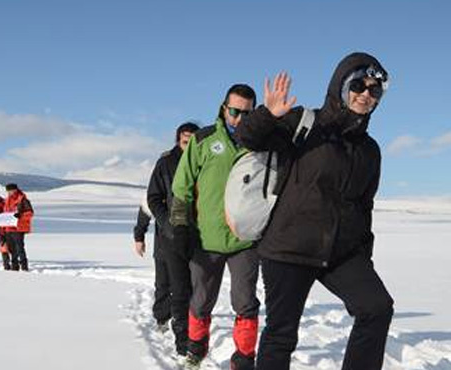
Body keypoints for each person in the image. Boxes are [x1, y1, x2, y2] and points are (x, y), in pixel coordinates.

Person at [236, 52, 394, 370]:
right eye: (359, 85)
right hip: (289, 248)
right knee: (281, 335)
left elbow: (364, 207)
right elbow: (247, 138)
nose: (366, 94)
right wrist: (268, 114)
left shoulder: (369, 149)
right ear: (340, 85)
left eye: (374, 90)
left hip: (341, 252)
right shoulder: (305, 123)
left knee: (376, 307)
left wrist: (364, 258)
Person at [171, 85, 260, 369]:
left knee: (245, 302)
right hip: (205, 239)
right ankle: (196, 349)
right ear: (224, 108)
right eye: (234, 111)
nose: (240, 119)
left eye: (247, 113)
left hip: (244, 240)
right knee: (201, 300)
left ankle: (244, 358)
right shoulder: (203, 139)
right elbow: (181, 186)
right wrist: (181, 227)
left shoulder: (261, 144)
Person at [133, 122, 200, 356]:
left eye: (193, 140)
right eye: (184, 140)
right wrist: (150, 230)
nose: (188, 144)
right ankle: (164, 319)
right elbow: (150, 201)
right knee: (165, 283)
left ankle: (190, 326)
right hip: (168, 237)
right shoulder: (165, 163)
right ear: (177, 140)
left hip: (198, 236)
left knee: (191, 286)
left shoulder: (203, 160)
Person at [3, 183, 34, 271]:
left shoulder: (23, 200)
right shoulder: (7, 200)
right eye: (8, 191)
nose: (9, 192)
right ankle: (14, 267)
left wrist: (20, 215)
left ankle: (24, 266)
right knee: (11, 249)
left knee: (20, 248)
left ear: (15, 190)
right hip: (9, 227)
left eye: (11, 190)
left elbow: (30, 213)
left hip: (18, 228)